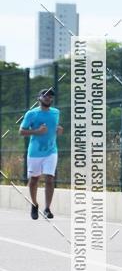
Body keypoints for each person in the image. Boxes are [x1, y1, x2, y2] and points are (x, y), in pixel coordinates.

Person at [19, 87, 63, 220]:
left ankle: (47, 208)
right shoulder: (31, 114)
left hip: (51, 151)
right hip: (35, 152)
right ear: (39, 98)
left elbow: (54, 127)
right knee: (34, 180)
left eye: (50, 96)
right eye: (45, 96)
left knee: (50, 178)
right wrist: (37, 131)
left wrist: (58, 130)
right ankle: (34, 204)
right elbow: (21, 131)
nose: (48, 98)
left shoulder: (56, 112)